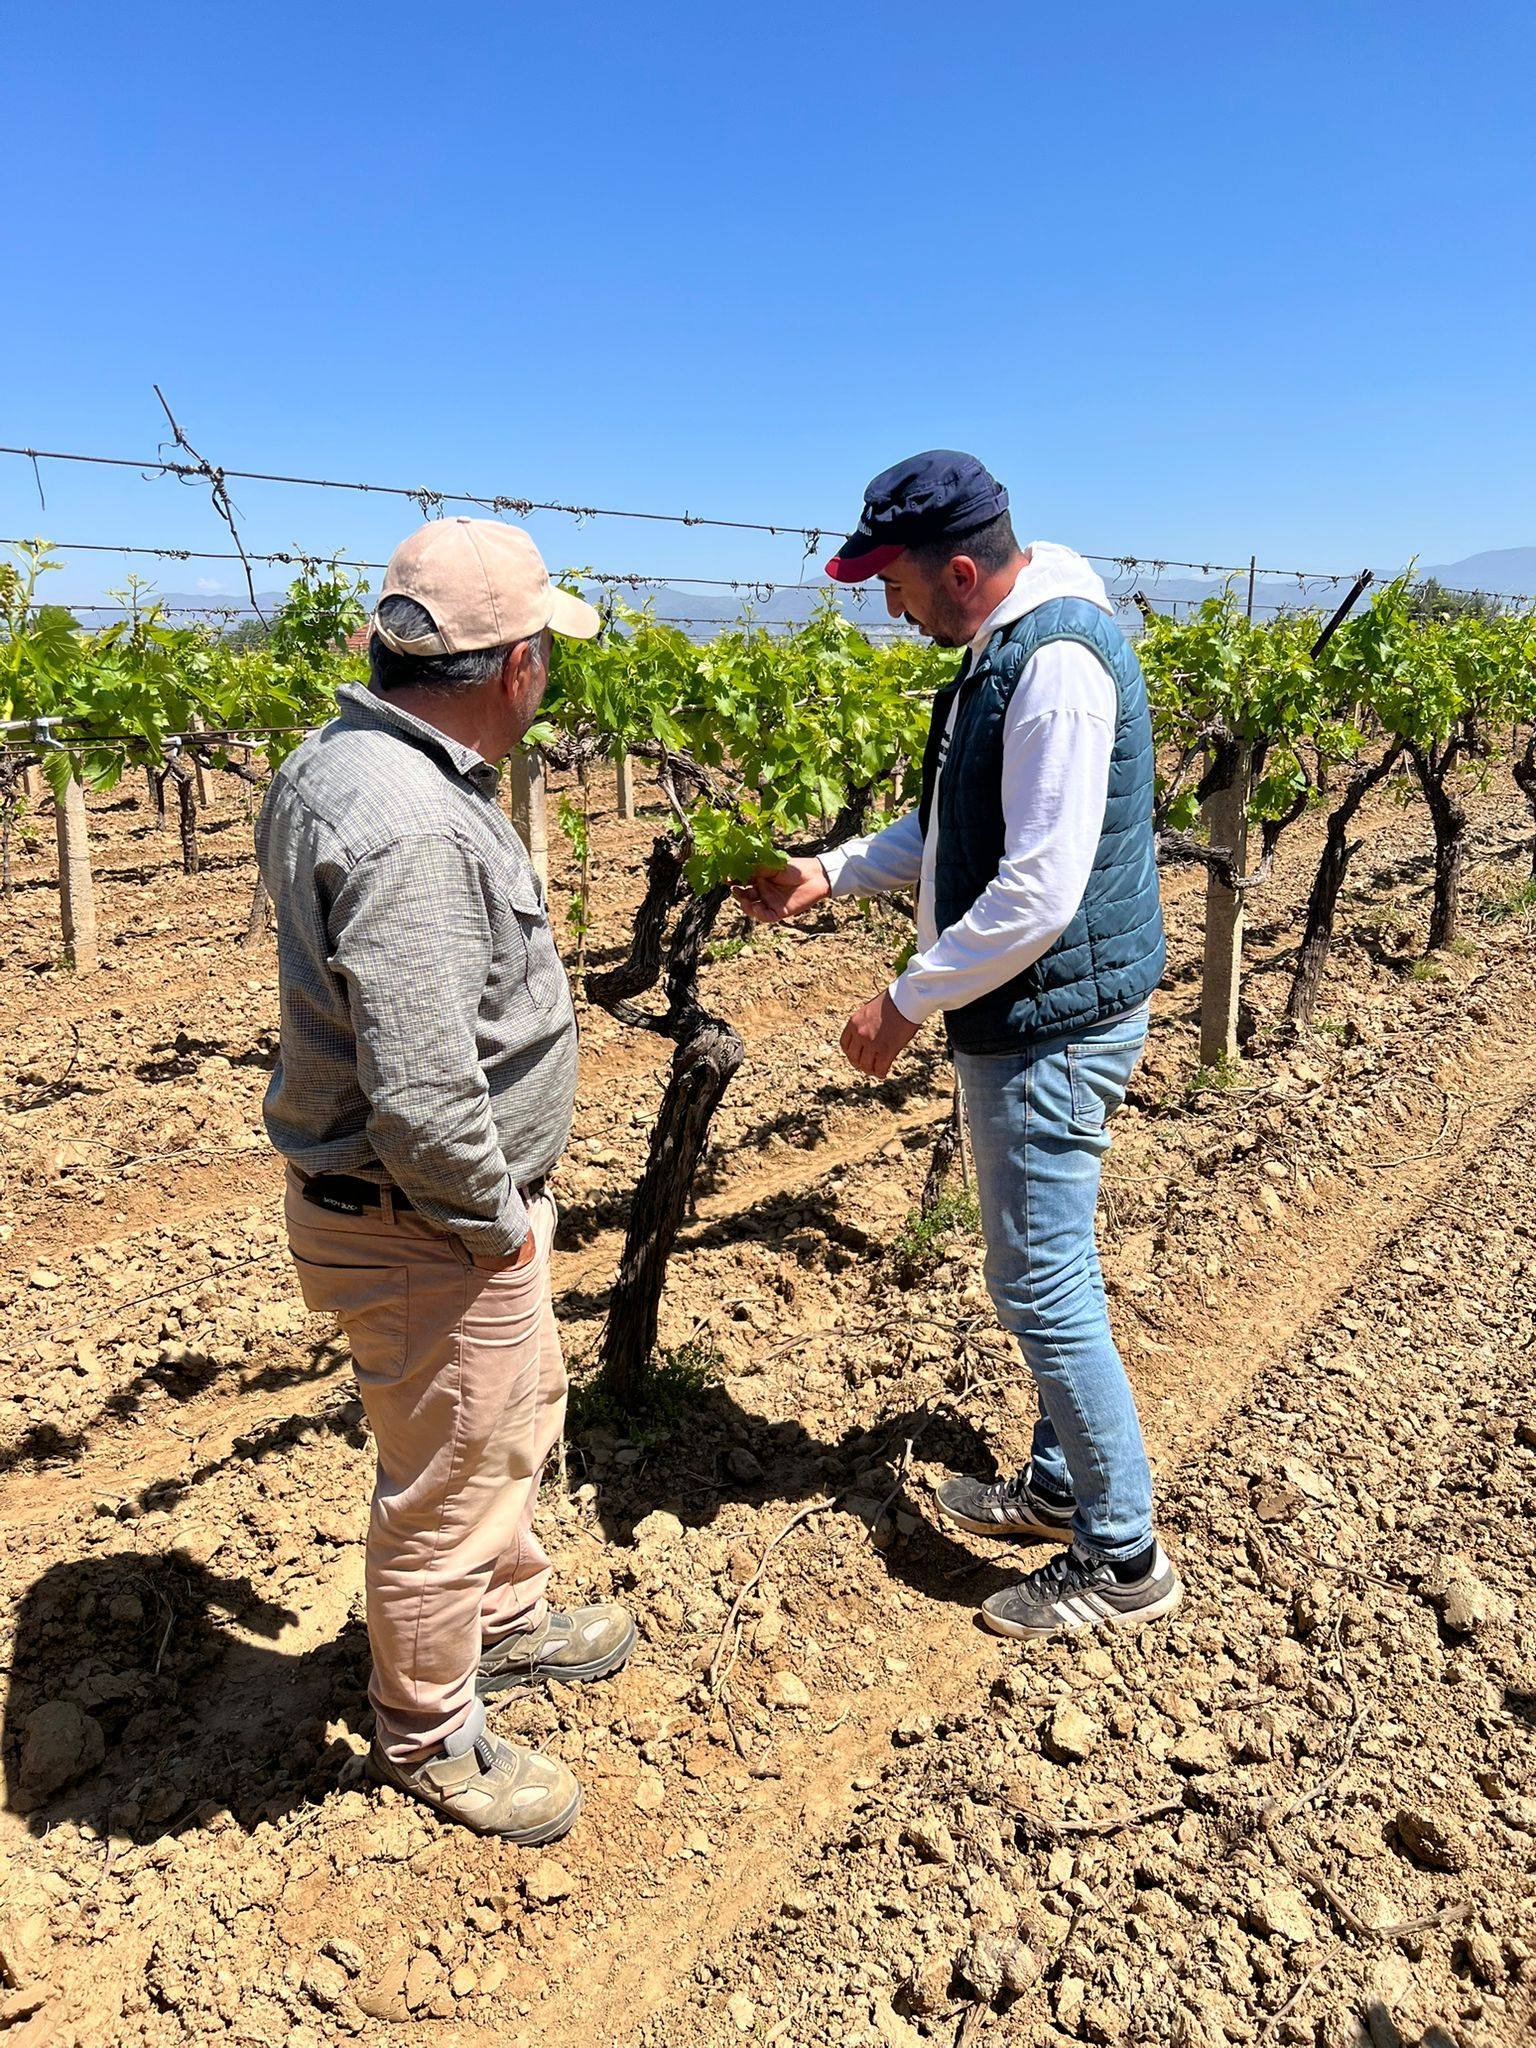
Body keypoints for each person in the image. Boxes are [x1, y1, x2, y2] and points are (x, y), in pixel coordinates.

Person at [735, 452, 1182, 1640]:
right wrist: (825, 873)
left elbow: (1036, 893)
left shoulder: (1056, 672)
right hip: (1030, 1011)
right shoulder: (999, 650)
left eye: (897, 582)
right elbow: (949, 828)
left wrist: (905, 998)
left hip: (1052, 1021)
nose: (888, 604)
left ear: (965, 570)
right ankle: (1059, 1484)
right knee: (1047, 1265)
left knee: (1041, 1280)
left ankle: (1122, 1552)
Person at [256, 517, 634, 1842]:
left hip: (425, 1211)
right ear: (515, 666)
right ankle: (429, 1730)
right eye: (547, 654)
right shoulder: (412, 821)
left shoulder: (354, 763)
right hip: (428, 1219)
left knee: (506, 1419)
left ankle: (513, 1619)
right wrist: (497, 1228)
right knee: (451, 1477)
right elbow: (421, 1094)